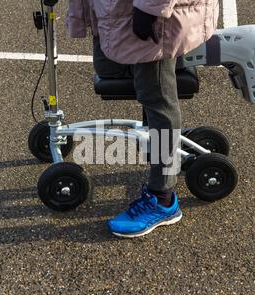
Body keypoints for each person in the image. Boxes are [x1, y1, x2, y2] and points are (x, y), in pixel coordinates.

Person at [66, 0, 220, 238]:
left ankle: (163, 199)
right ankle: (161, 144)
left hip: (154, 14)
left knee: (157, 97)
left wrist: (150, 8)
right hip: (120, 10)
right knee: (111, 70)